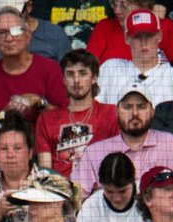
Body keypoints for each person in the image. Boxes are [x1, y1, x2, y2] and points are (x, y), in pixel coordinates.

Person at [72, 89, 173, 196]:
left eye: (141, 106)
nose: (134, 113)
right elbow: (77, 198)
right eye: (127, 107)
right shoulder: (95, 152)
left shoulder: (168, 143)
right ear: (116, 112)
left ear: (152, 112)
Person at [35, 49, 119, 179]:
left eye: (82, 73)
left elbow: (119, 160)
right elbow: (46, 173)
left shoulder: (111, 113)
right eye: (70, 74)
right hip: (61, 191)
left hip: (101, 189)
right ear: (63, 79)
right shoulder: (47, 119)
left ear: (94, 78)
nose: (76, 80)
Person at [0, 7, 66, 119]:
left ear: (28, 36)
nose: (9, 38)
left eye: (16, 30)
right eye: (2, 33)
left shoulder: (50, 69)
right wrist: (5, 115)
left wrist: (39, 102)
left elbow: (65, 116)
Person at [96, 9, 173, 106]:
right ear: (127, 38)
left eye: (149, 36)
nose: (144, 43)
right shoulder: (110, 69)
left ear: (159, 36)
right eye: (137, 36)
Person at [75, 151, 144, 222]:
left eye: (123, 191)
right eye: (109, 191)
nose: (117, 199)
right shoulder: (91, 206)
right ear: (101, 186)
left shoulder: (149, 197)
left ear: (134, 180)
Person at [87, 0, 173, 65]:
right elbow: (88, 67)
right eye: (114, 3)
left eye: (124, 4)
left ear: (144, 4)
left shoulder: (164, 27)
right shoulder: (104, 27)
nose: (117, 10)